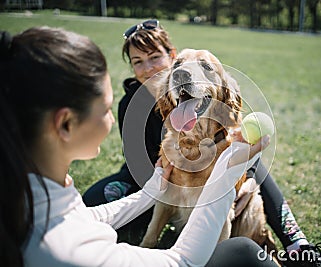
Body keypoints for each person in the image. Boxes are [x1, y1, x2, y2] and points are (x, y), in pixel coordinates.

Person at [0, 26, 280, 267]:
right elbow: (181, 261)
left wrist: (151, 191)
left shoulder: (30, 195)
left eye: (155, 57)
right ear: (66, 124)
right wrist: (228, 170)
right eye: (106, 108)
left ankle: (294, 241)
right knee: (243, 252)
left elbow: (85, 216)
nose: (113, 118)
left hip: (166, 184)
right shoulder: (66, 251)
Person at [82, 19, 321, 267]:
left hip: (196, 173)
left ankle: (298, 244)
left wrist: (247, 178)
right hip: (149, 179)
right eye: (138, 62)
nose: (148, 68)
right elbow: (136, 160)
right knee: (94, 198)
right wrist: (167, 173)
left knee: (247, 159)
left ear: (171, 56)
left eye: (155, 57)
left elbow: (234, 136)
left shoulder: (199, 92)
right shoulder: (130, 105)